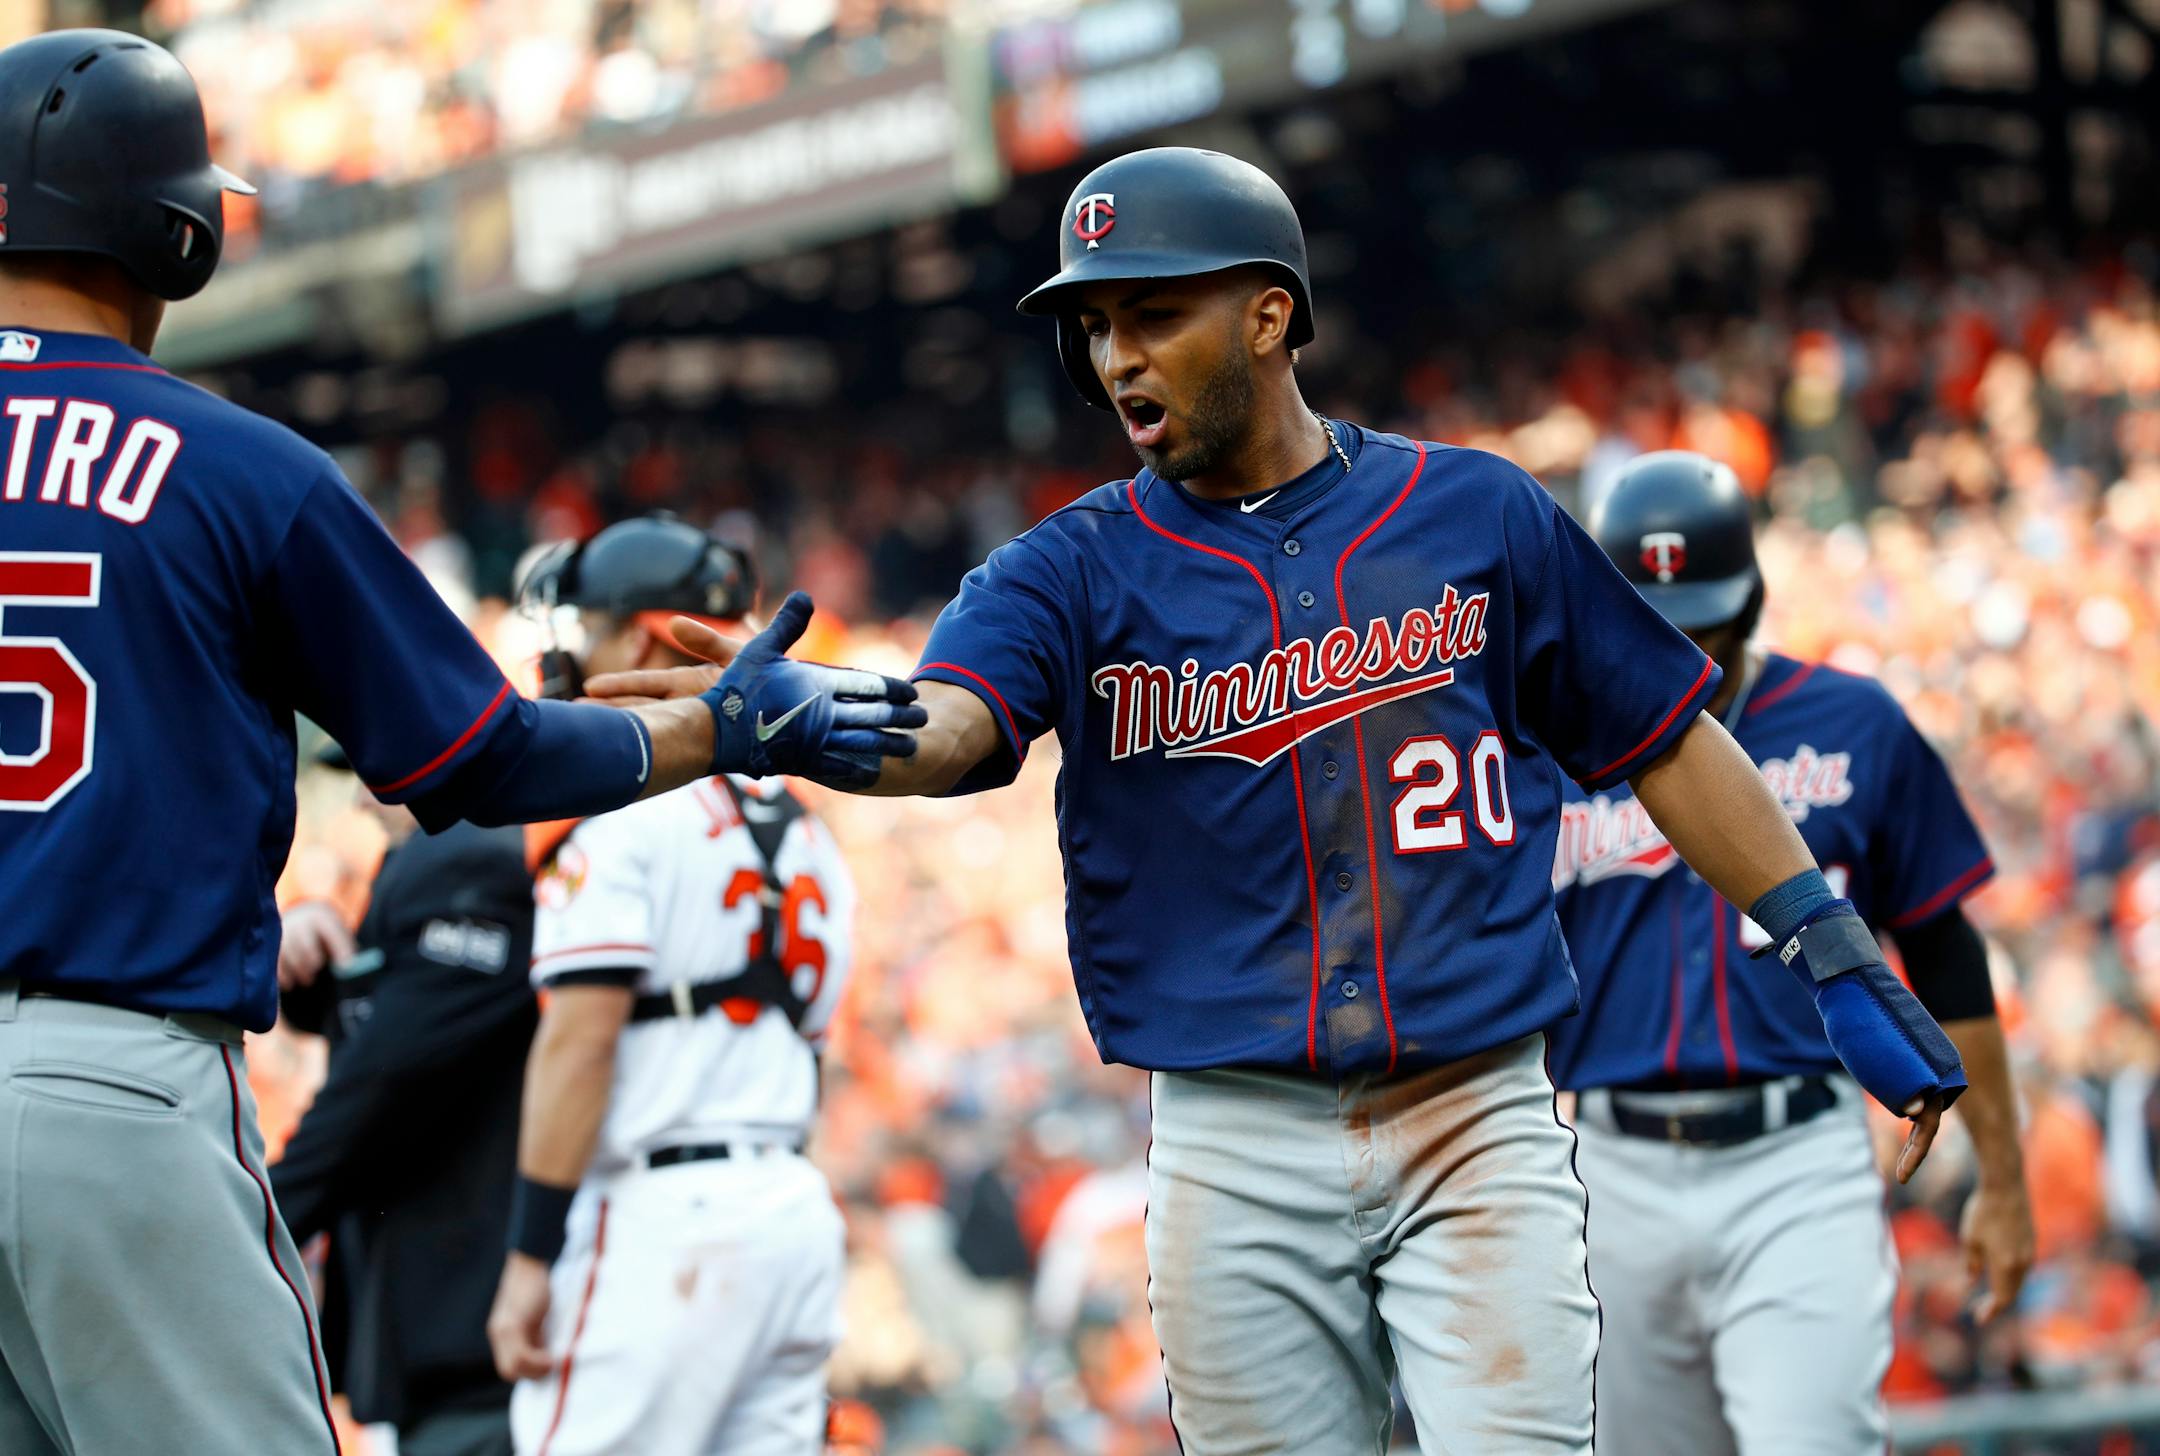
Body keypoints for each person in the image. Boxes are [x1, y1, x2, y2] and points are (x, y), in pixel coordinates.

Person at [584, 146, 1970, 1454]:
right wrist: (814, 719)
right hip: (1230, 1140)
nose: (1116, 354)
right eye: (1095, 327)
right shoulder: (1065, 572)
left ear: (1267, 316)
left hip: (1473, 1109)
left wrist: (1829, 943)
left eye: (1153, 314)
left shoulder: (1476, 513)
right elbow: (955, 731)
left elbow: (1667, 733)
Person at [0, 30, 917, 1456]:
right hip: (111, 1089)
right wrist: (711, 731)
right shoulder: (244, 470)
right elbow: (480, 759)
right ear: (180, 231)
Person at [1545, 450, 2036, 1455]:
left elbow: (1945, 956)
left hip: (1796, 1161)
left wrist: (2005, 1176)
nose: (1679, 652)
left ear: (1753, 599)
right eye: (1653, 624)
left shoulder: (1854, 724)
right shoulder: (1541, 746)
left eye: (1704, 625)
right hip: (1606, 1170)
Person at [484, 516, 859, 1456]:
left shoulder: (622, 807)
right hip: (791, 1217)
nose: (574, 654)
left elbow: (583, 1038)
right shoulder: (812, 832)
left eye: (596, 627)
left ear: (652, 635)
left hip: (664, 1228)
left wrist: (530, 1255)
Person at [271, 743, 536, 1456]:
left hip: (481, 1340)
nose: (360, 800)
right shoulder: (433, 862)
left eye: (373, 774)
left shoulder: (469, 853)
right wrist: (313, 982)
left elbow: (386, 1083)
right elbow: (412, 1028)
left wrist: (257, 1220)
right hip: (446, 1346)